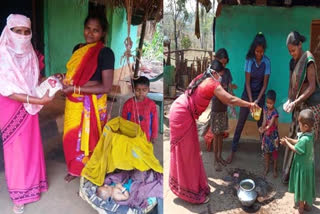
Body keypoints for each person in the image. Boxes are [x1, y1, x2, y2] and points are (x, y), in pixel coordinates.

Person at [169, 59, 259, 204]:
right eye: (221, 75)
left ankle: (195, 188)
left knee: (191, 153)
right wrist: (249, 104)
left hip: (183, 111)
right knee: (187, 155)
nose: (221, 78)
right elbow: (230, 99)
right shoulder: (212, 83)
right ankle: (190, 193)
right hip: (182, 114)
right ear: (216, 73)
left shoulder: (203, 77)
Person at [0, 14, 54, 214]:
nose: (22, 37)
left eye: (26, 32)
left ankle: (35, 186)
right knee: (16, 151)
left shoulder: (31, 53)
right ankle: (19, 196)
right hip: (10, 107)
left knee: (32, 147)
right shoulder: (2, 55)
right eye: (17, 31)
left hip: (30, 106)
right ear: (9, 31)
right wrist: (37, 100)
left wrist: (49, 82)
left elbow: (34, 80)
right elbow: (8, 89)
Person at [62, 13, 115, 183]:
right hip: (73, 104)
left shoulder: (106, 53)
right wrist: (62, 76)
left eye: (96, 30)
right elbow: (74, 74)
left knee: (93, 138)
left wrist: (75, 88)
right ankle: (75, 169)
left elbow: (105, 86)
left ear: (103, 33)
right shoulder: (78, 48)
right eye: (87, 29)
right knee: (71, 138)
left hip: (92, 104)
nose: (90, 33)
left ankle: (92, 171)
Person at [282, 31, 320, 183]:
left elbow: (311, 87)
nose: (292, 53)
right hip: (298, 104)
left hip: (311, 107)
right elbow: (292, 86)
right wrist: (289, 100)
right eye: (289, 51)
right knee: (294, 137)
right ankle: (290, 175)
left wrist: (295, 102)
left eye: (294, 50)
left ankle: (304, 179)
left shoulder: (308, 60)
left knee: (305, 142)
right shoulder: (293, 62)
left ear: (300, 45)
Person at [227, 32, 271, 164]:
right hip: (247, 95)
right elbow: (247, 83)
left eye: (261, 52)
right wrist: (251, 102)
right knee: (240, 123)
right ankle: (233, 151)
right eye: (257, 51)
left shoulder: (267, 62)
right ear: (253, 49)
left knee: (261, 124)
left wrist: (257, 101)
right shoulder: (249, 60)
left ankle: (265, 151)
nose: (259, 54)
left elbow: (265, 84)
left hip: (259, 96)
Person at [280, 109, 315, 214]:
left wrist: (286, 142)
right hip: (308, 167)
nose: (298, 125)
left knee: (301, 186)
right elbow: (298, 141)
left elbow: (296, 148)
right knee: (307, 186)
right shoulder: (309, 134)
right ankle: (308, 205)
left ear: (305, 126)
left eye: (299, 124)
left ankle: (301, 208)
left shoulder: (304, 139)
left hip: (302, 169)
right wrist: (290, 140)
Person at [210, 48, 233, 171]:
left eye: (225, 63)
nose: (223, 65)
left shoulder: (227, 72)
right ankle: (215, 160)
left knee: (221, 134)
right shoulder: (213, 73)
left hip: (224, 108)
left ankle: (219, 156)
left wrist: (232, 103)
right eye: (221, 63)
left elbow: (230, 88)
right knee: (216, 134)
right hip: (216, 107)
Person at [122, 76, 158, 143]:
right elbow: (123, 121)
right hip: (131, 136)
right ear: (133, 90)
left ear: (148, 90)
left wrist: (154, 136)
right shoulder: (128, 104)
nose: (141, 93)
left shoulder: (151, 104)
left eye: (144, 90)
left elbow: (154, 121)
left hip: (146, 136)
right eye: (138, 90)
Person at [258, 90, 279, 177]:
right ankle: (267, 168)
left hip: (273, 135)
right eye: (267, 102)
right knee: (266, 152)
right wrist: (262, 127)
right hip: (266, 134)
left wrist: (264, 129)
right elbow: (264, 121)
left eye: (270, 103)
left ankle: (274, 169)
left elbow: (270, 124)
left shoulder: (275, 112)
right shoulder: (265, 109)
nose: (268, 104)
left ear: (274, 102)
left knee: (274, 152)